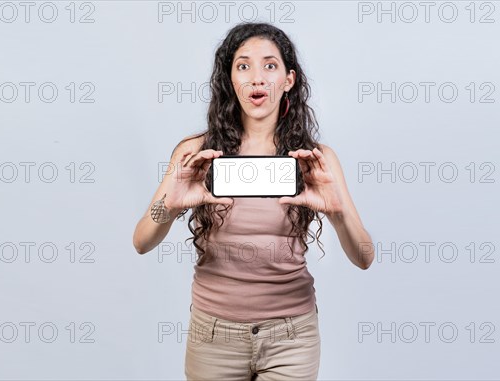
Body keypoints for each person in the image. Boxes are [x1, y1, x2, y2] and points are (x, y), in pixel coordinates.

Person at [133, 21, 375, 381]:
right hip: (213, 336)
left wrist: (338, 212)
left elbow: (364, 256)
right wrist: (167, 205)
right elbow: (141, 240)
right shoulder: (194, 153)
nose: (257, 78)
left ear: (289, 80)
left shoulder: (316, 159)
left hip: (292, 337)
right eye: (243, 66)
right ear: (231, 80)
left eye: (270, 66)